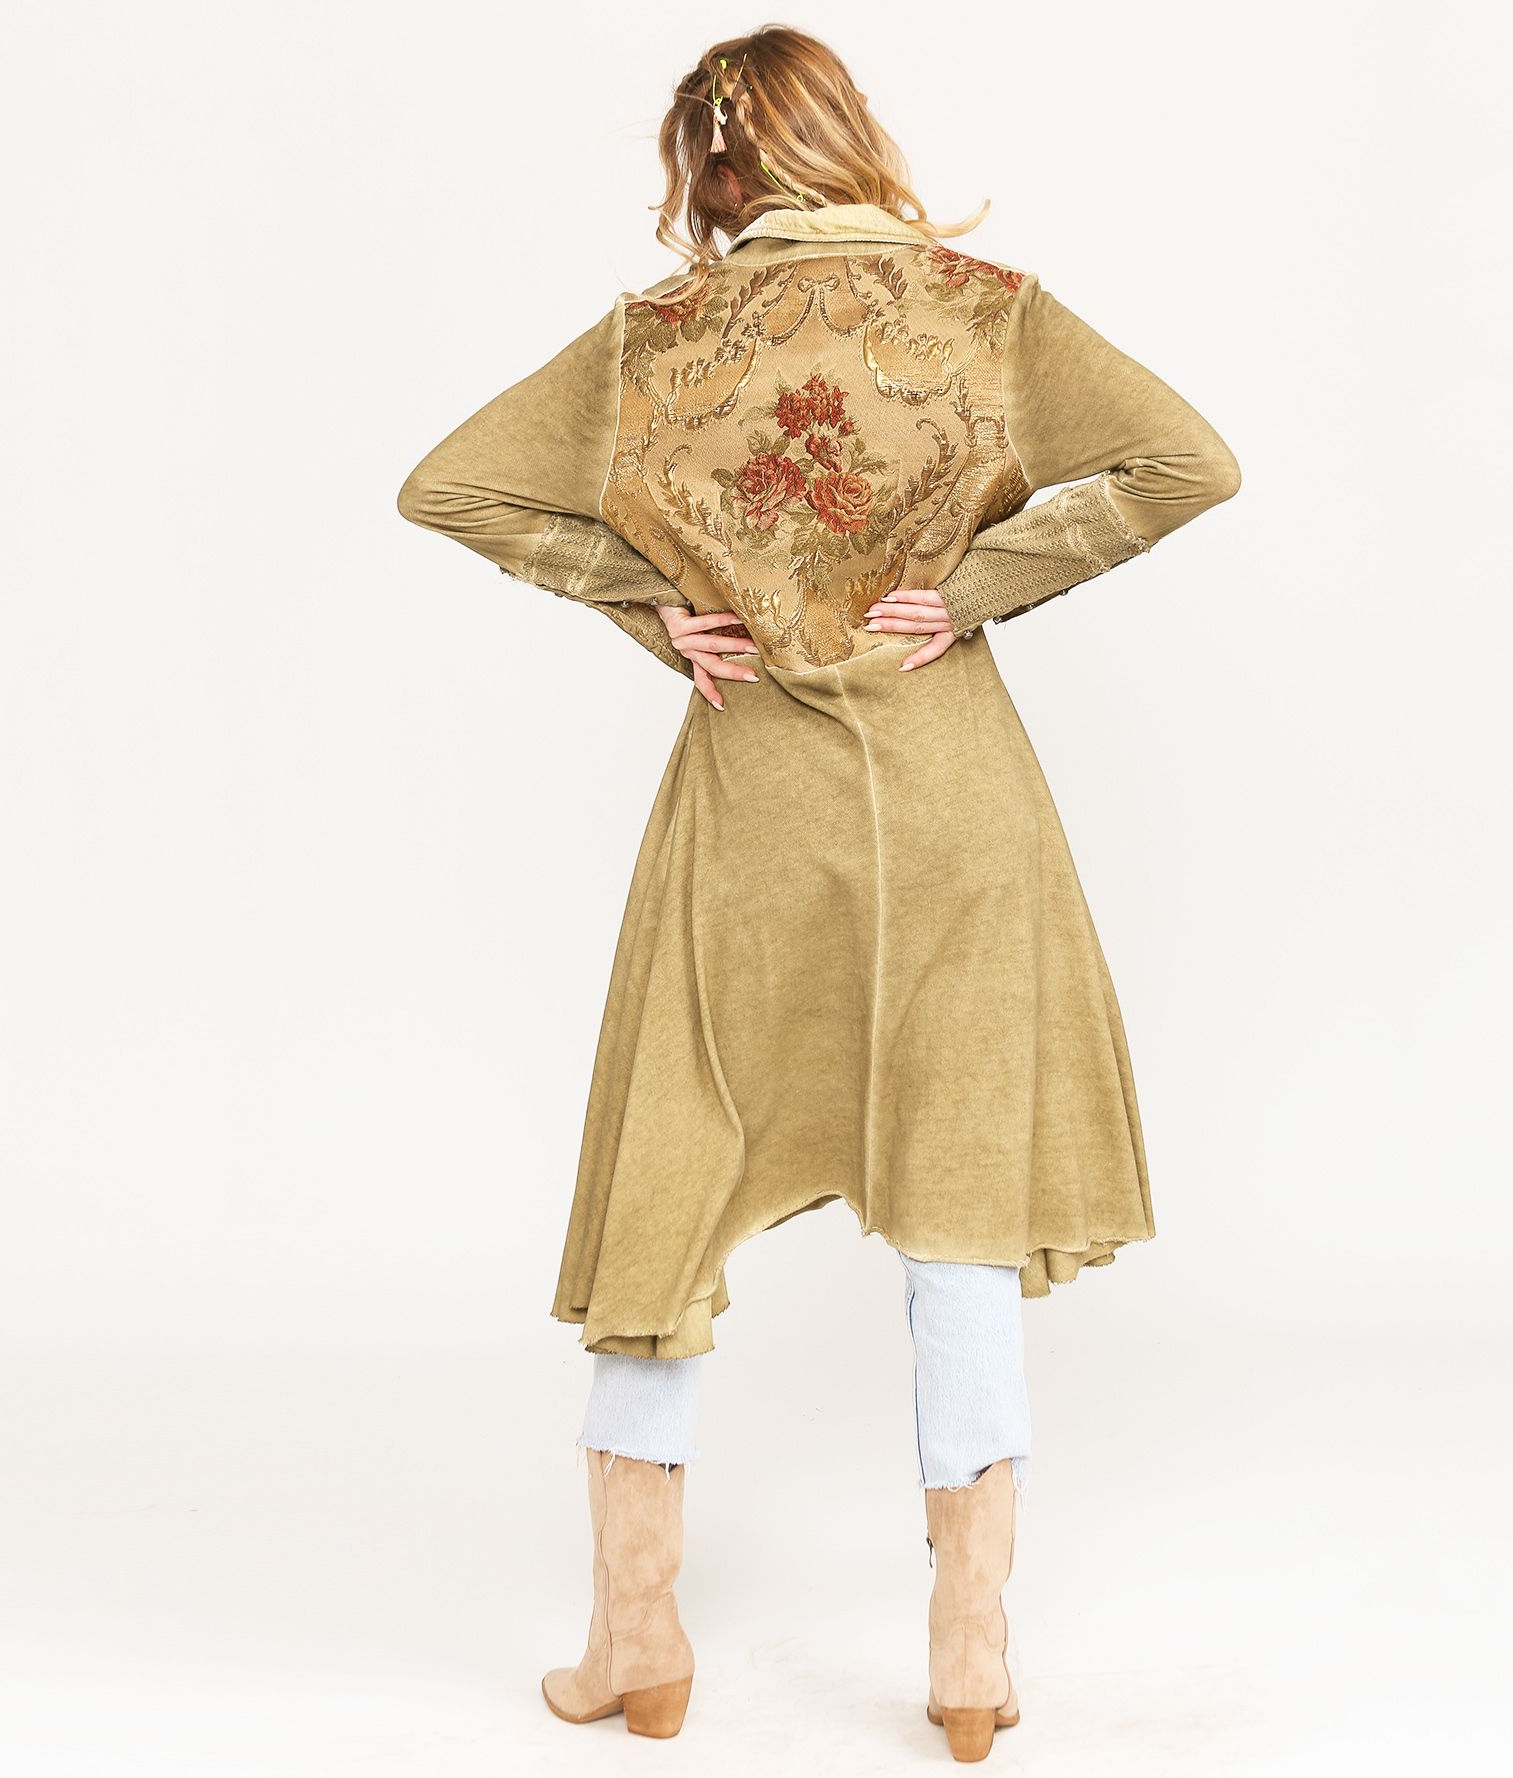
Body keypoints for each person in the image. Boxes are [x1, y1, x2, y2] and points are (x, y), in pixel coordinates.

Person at [396, 25, 1240, 1761]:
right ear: (845, 133)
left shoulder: (654, 340)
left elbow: (447, 484)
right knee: (960, 1202)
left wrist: (649, 604)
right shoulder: (986, 311)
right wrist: (980, 580)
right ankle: (971, 1650)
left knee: (666, 1188)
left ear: (707, 169)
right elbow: (1189, 462)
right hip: (952, 803)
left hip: (751, 808)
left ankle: (637, 1636)